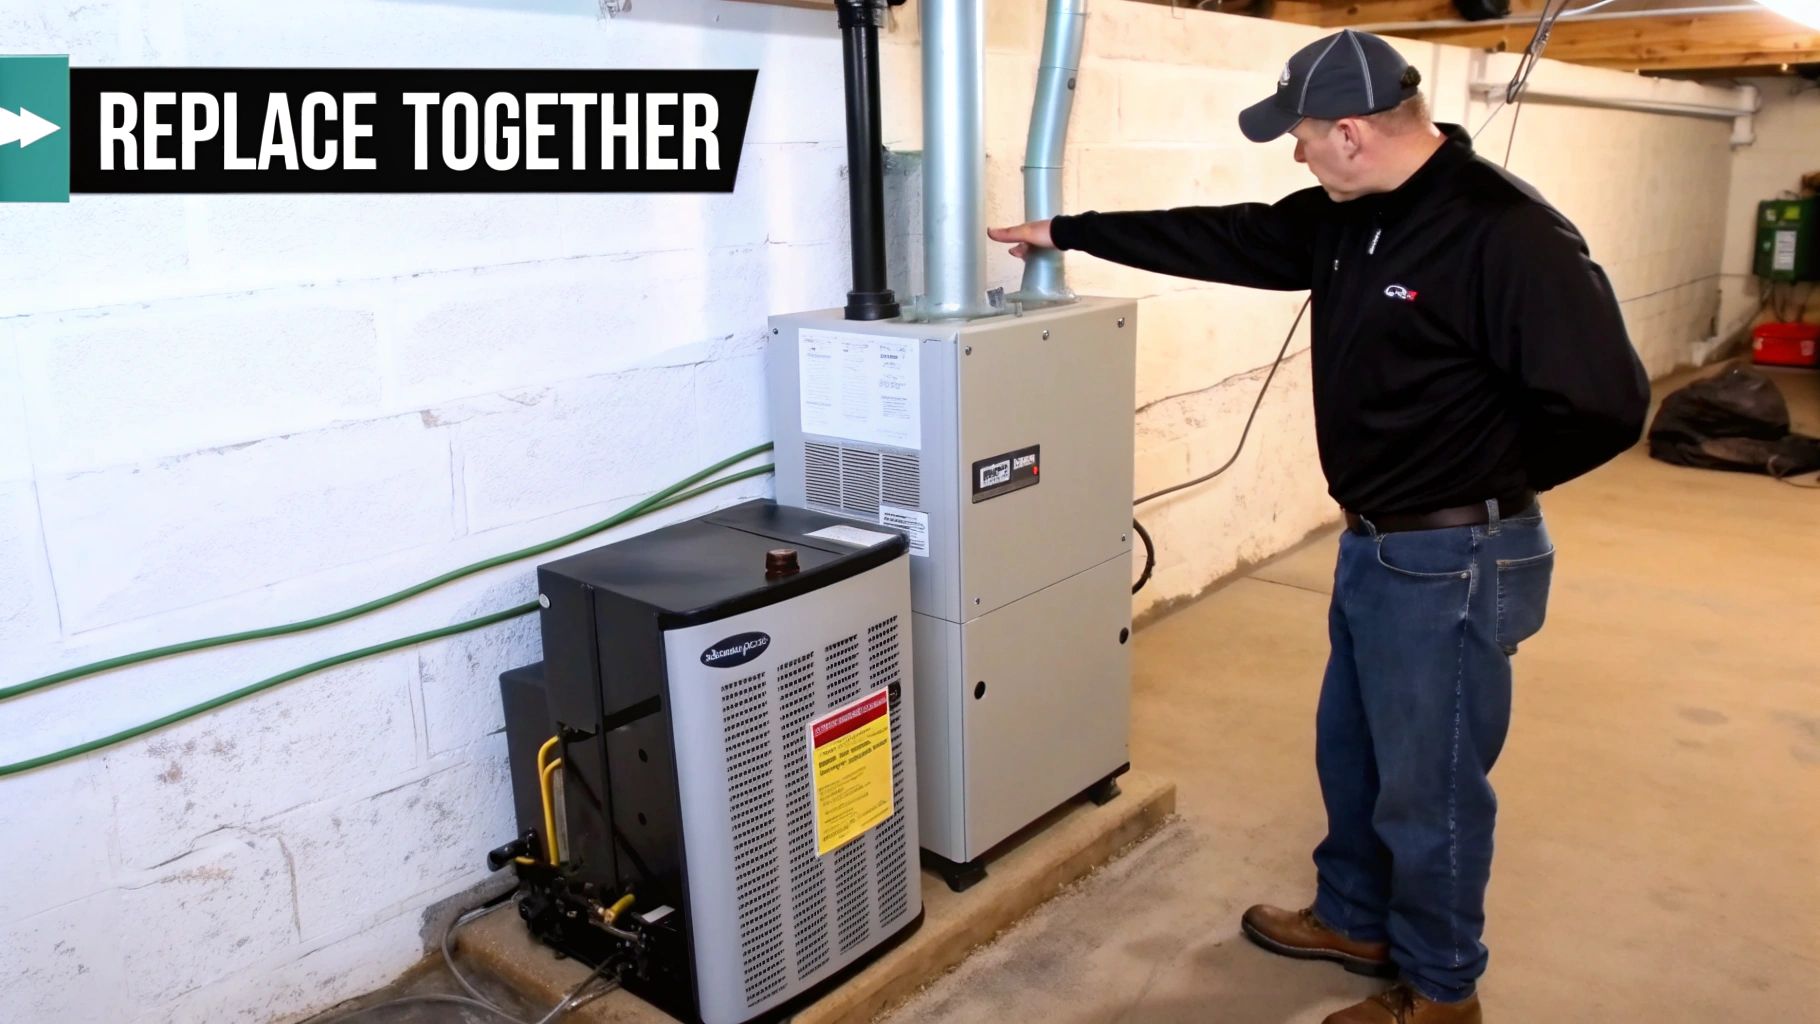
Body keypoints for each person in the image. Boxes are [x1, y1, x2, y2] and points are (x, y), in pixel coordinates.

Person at [990, 28, 1648, 1024]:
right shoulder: (1348, 215)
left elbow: (1603, 401)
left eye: (1297, 137)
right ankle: (1353, 915)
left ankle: (1438, 988)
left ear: (1348, 132)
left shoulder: (1500, 232)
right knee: (1353, 752)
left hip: (1452, 556)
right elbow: (1226, 234)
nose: (1291, 155)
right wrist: (1069, 231)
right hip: (1376, 545)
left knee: (1430, 791)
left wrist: (1476, 490)